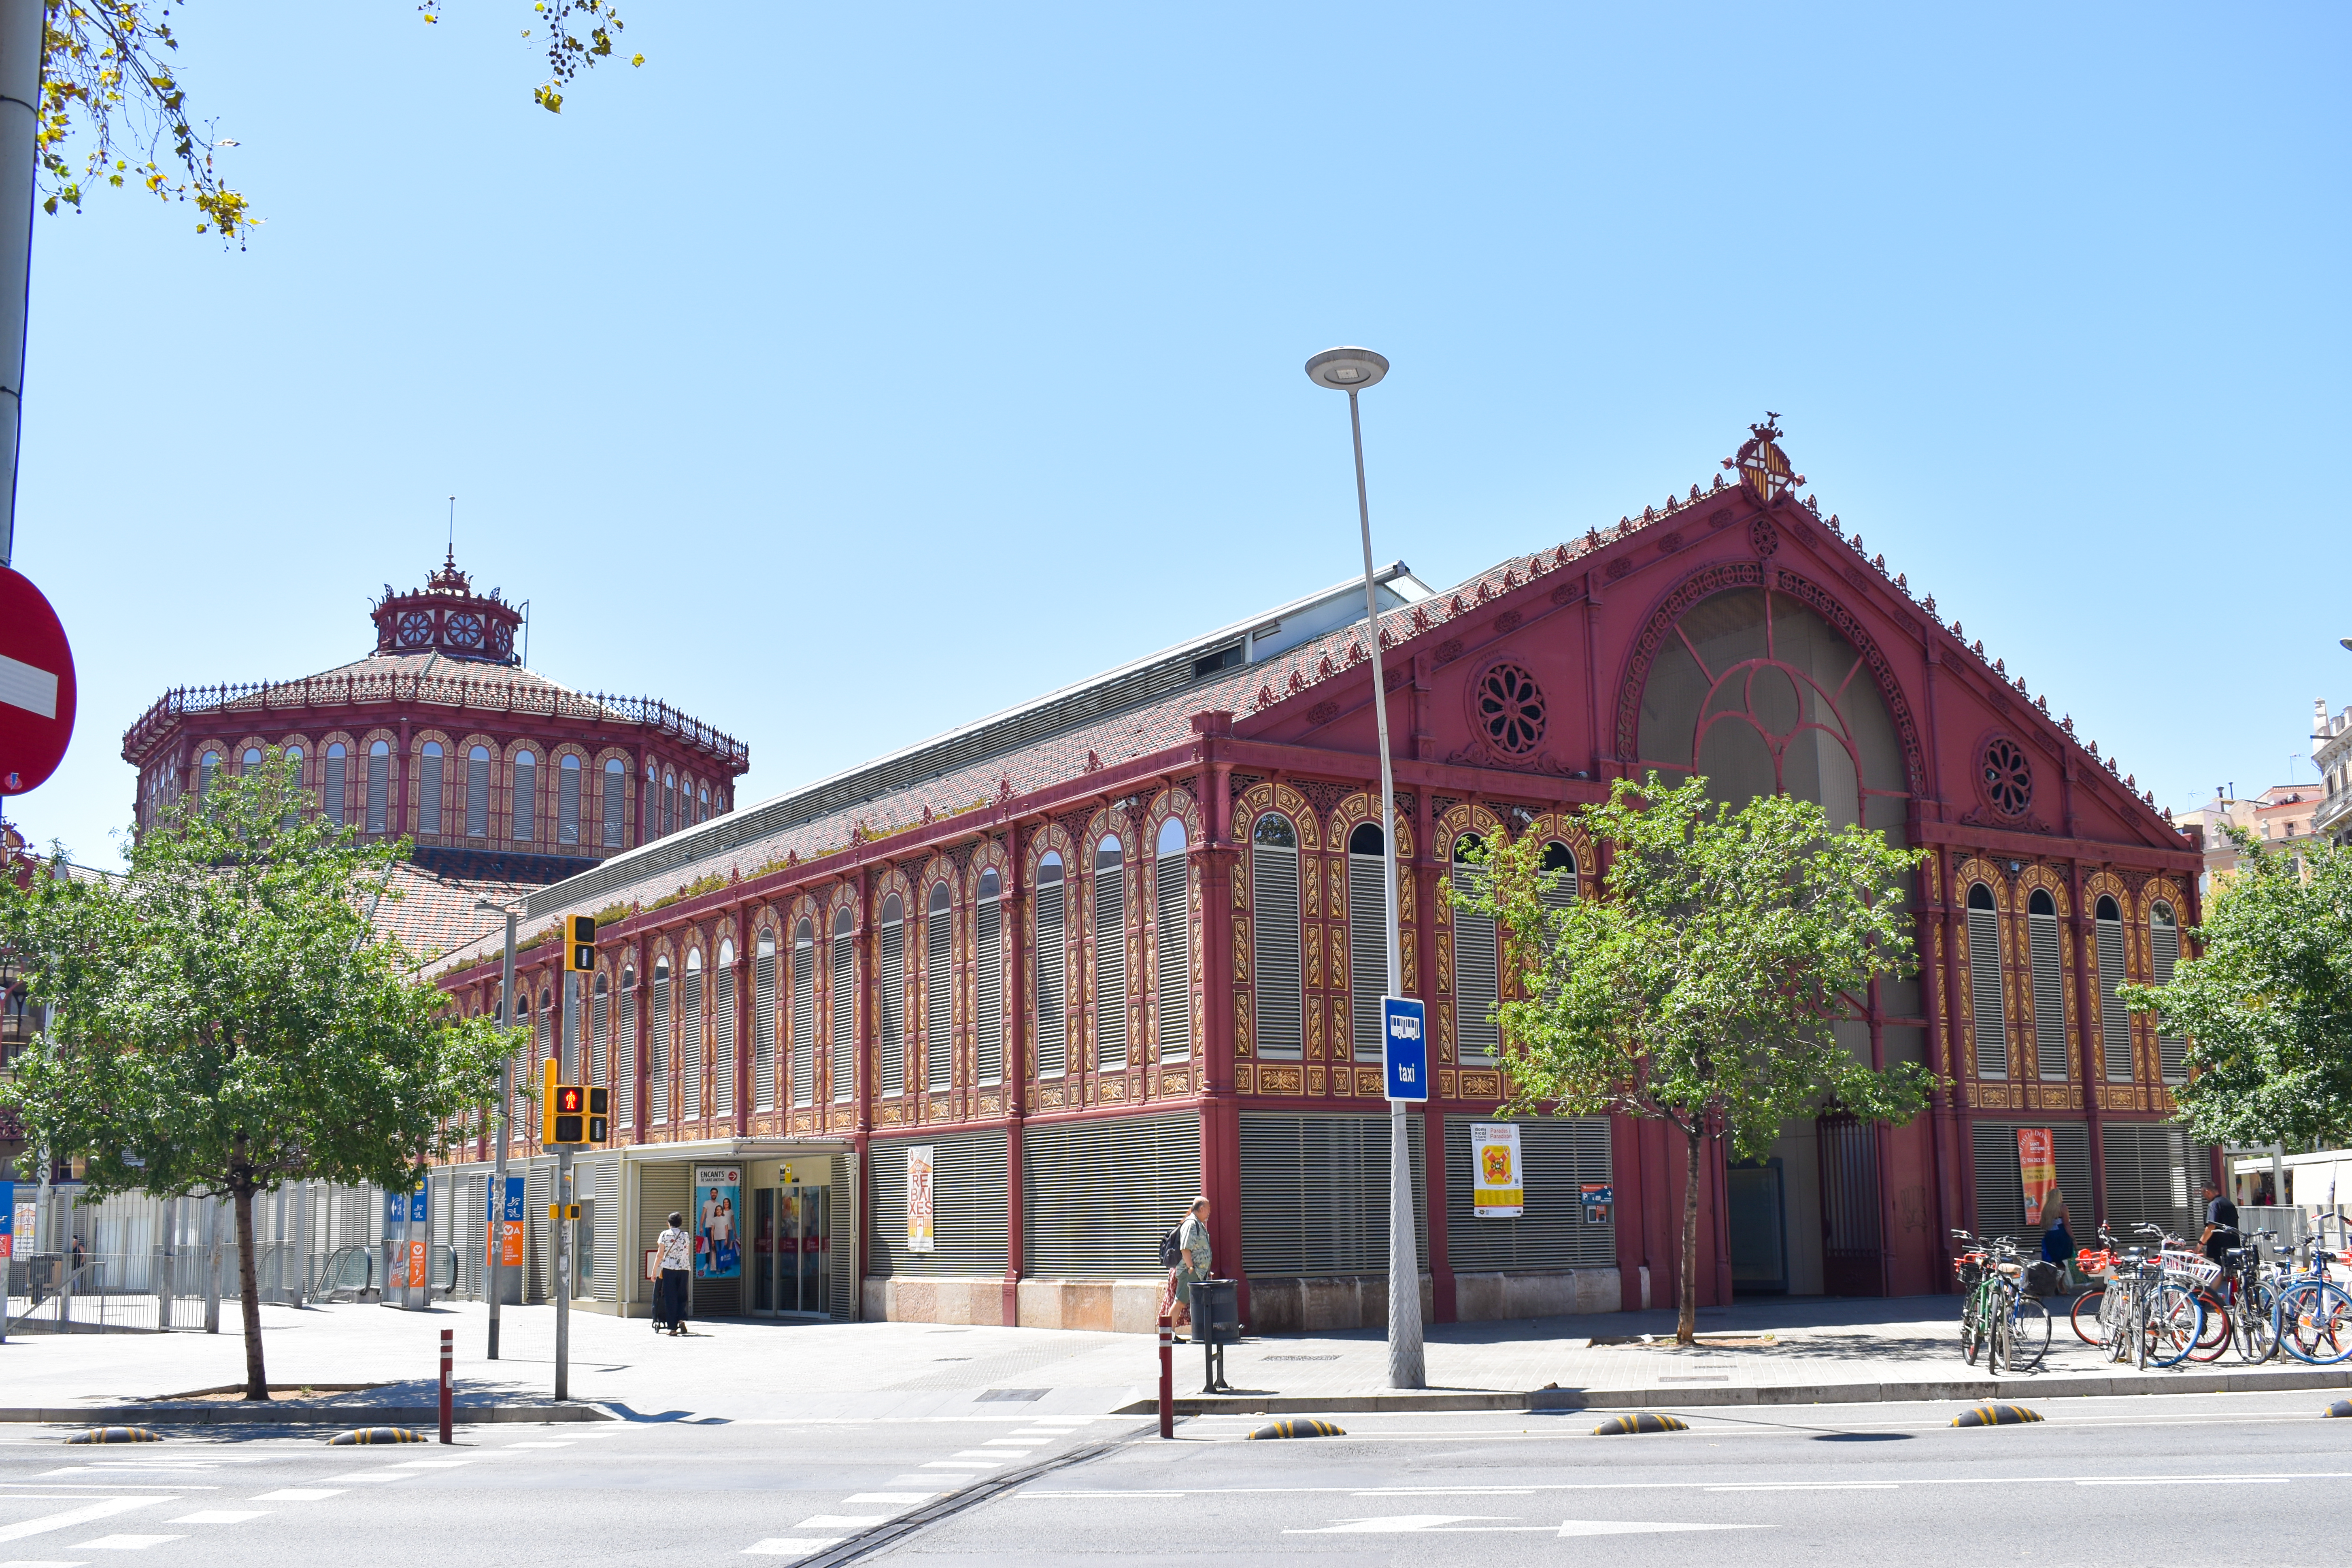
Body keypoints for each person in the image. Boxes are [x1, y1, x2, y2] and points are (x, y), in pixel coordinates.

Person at [1164, 1196, 1212, 1337]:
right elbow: (1185, 1249)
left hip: (1198, 1272)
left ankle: (1202, 1333)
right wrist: (1191, 1268)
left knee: (1194, 1303)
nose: (1209, 1212)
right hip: (1190, 1272)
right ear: (1202, 1208)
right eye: (1208, 1209)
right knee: (1180, 1301)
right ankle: (1167, 1334)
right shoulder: (1191, 1224)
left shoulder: (1198, 1224)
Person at [654, 1210, 692, 1335]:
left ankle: (673, 1328)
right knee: (682, 1295)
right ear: (680, 1223)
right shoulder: (685, 1235)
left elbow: (660, 1254)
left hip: (669, 1269)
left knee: (670, 1297)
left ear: (669, 1223)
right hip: (684, 1269)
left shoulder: (665, 1235)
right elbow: (688, 1253)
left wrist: (655, 1270)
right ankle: (681, 1319)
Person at [2198, 1181, 2240, 1269]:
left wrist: (2199, 1245)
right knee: (2233, 1272)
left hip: (2220, 1247)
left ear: (2207, 1192)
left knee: (2218, 1272)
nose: (2204, 1197)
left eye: (2203, 1194)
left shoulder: (2213, 1205)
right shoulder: (2229, 1203)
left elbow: (2211, 1227)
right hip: (2234, 1244)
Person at [2037, 1185, 2075, 1274]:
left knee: (2056, 1262)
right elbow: (2066, 1225)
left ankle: (2057, 1283)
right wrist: (2073, 1238)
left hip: (2050, 1236)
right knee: (2064, 1262)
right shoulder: (2062, 1207)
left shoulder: (2046, 1209)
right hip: (2062, 1236)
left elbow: (2042, 1225)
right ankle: (2061, 1284)